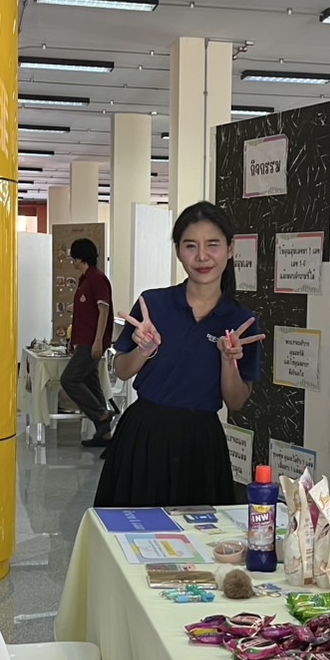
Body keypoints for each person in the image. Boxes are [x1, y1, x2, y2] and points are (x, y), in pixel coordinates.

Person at [94, 201, 265, 507]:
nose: (202, 256)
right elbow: (121, 370)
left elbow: (236, 402)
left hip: (201, 443)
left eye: (213, 244)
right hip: (144, 435)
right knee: (134, 528)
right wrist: (144, 350)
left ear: (230, 249)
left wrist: (228, 360)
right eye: (190, 246)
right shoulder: (153, 304)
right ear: (178, 251)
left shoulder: (241, 322)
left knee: (198, 533)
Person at [60, 237, 115, 447]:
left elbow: (104, 310)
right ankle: (104, 434)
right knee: (91, 382)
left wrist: (98, 341)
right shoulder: (84, 280)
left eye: (73, 257)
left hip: (91, 342)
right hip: (83, 341)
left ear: (80, 258)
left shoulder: (97, 279)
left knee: (69, 379)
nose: (72, 261)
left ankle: (101, 413)